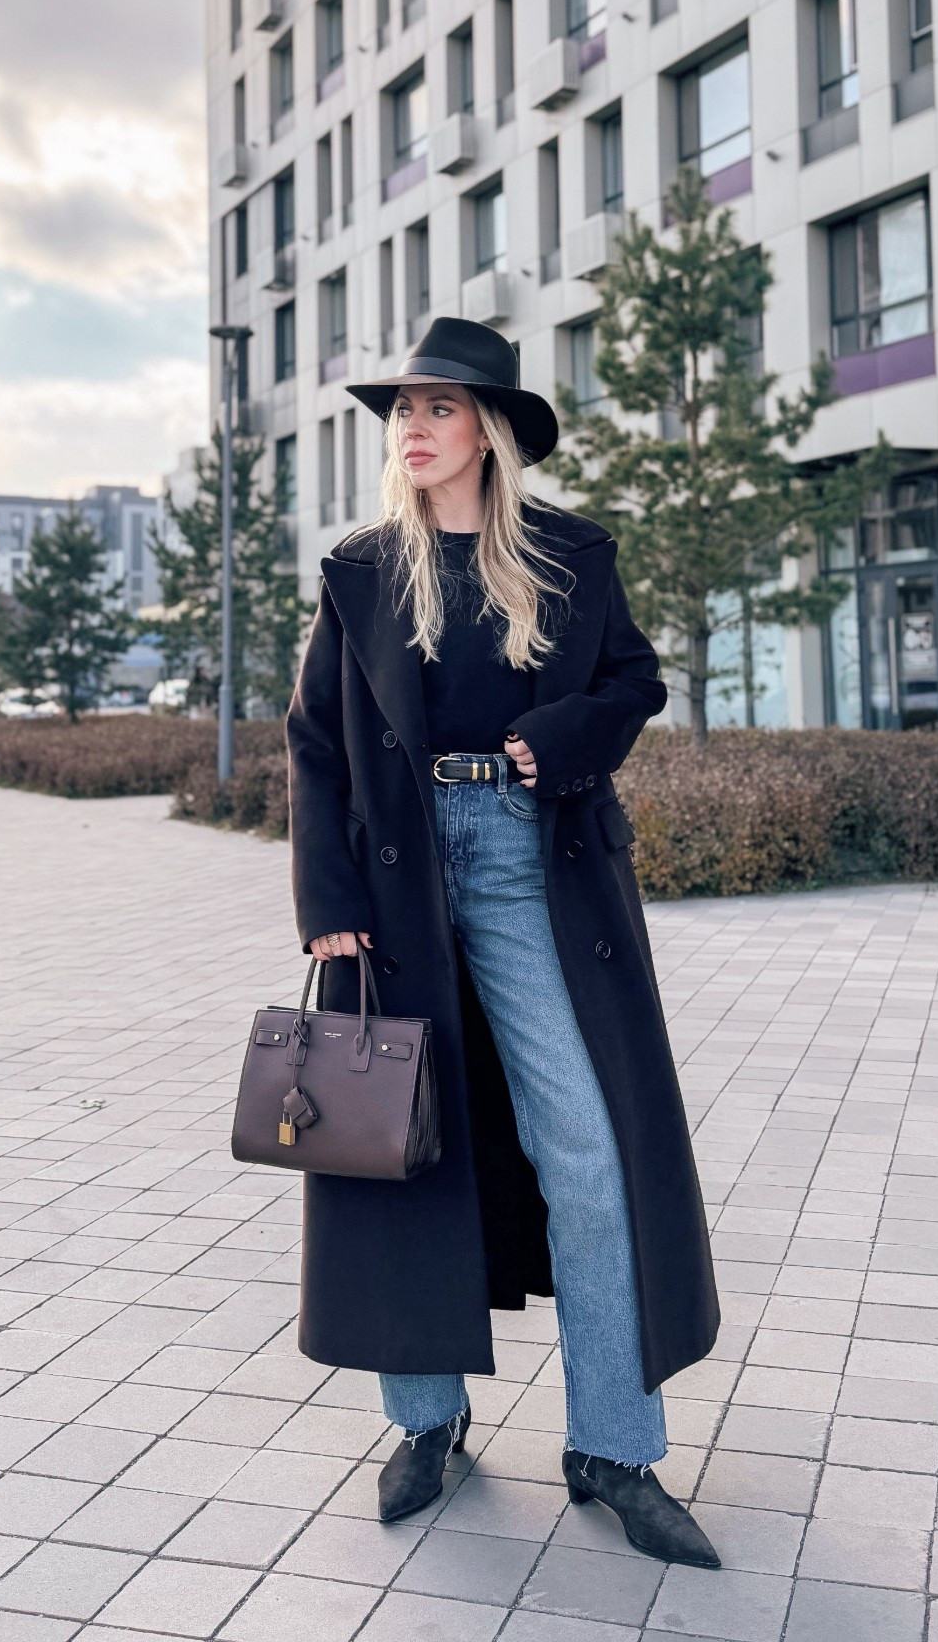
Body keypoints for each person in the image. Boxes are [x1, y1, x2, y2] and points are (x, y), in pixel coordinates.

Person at [286, 317, 721, 1567]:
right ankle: (425, 1419)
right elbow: (315, 742)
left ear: (489, 430)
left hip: (536, 860)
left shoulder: (570, 554)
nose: (413, 428)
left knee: (586, 1145)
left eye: (438, 407)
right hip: (398, 875)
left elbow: (634, 681)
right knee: (399, 1141)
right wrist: (325, 896)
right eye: (403, 410)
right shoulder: (364, 567)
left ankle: (613, 1445)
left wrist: (559, 738)